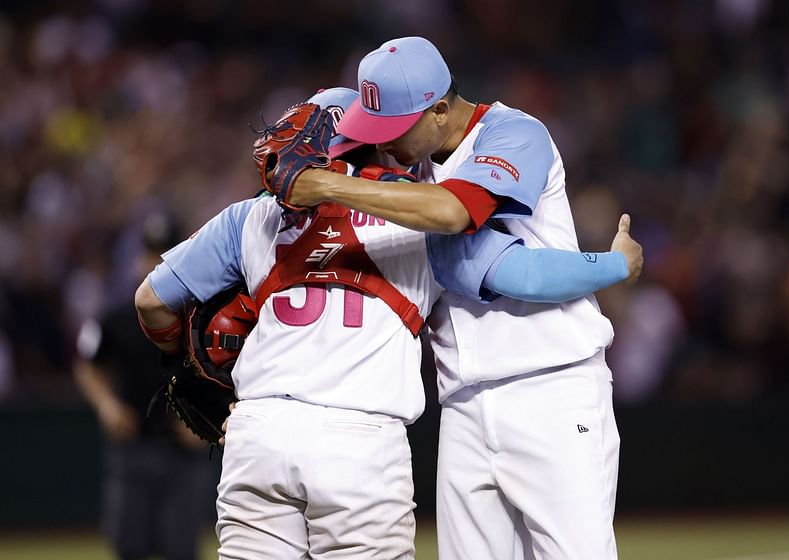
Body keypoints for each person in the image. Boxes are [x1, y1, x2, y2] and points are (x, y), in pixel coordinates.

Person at [135, 85, 640, 559]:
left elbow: (151, 301)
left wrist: (177, 355)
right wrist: (613, 264)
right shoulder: (420, 218)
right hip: (359, 439)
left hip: (258, 431)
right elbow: (522, 273)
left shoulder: (250, 217)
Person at [285, 37, 640, 559]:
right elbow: (324, 132)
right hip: (462, 404)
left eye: (394, 128)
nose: (382, 143)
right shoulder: (408, 166)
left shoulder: (514, 132)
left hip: (553, 385)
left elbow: (458, 219)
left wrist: (329, 187)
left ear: (441, 111)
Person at [74, 213, 215, 560]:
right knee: (129, 546)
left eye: (165, 255)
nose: (155, 264)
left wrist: (208, 421)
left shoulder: (205, 316)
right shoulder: (117, 314)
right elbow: (87, 364)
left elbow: (232, 372)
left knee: (180, 549)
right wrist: (107, 404)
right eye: (151, 254)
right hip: (133, 446)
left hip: (184, 453)